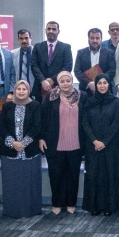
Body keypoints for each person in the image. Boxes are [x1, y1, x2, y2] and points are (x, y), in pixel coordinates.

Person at [40, 72, 86, 215]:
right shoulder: (50, 96)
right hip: (55, 144)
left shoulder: (82, 96)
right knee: (56, 175)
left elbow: (86, 120)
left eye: (68, 80)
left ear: (72, 81)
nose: (65, 83)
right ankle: (57, 203)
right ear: (58, 83)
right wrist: (41, 138)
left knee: (73, 176)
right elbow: (43, 118)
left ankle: (71, 203)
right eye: (62, 81)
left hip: (76, 144)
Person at [0, 80, 43, 217]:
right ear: (15, 91)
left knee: (29, 182)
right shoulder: (7, 106)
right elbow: (1, 126)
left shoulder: (35, 105)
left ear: (28, 91)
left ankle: (31, 210)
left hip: (30, 151)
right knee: (12, 182)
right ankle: (12, 210)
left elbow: (37, 126)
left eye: (24, 89)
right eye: (18, 89)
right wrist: (12, 143)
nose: (21, 91)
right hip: (10, 151)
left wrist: (23, 143)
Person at [81, 74, 119, 216]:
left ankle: (109, 207)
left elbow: (117, 123)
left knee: (110, 175)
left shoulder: (115, 102)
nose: (102, 85)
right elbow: (85, 122)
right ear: (95, 85)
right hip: (92, 145)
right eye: (99, 83)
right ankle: (94, 206)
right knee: (93, 175)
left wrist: (104, 142)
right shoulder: (89, 102)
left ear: (109, 84)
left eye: (105, 83)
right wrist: (94, 140)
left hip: (110, 146)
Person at [31, 21, 74, 99]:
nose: (51, 31)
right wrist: (43, 80)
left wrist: (53, 79)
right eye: (49, 29)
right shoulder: (37, 47)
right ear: (45, 31)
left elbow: (68, 66)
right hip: (40, 87)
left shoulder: (65, 47)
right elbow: (34, 65)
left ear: (58, 31)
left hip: (59, 87)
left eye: (54, 29)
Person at [75, 27, 117, 93]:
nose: (95, 40)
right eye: (92, 38)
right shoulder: (81, 53)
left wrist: (100, 83)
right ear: (88, 39)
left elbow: (112, 70)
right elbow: (77, 71)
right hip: (85, 90)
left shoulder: (109, 53)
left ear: (101, 39)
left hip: (105, 90)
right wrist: (89, 83)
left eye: (97, 38)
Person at [10, 29, 36, 97]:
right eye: (21, 38)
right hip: (19, 92)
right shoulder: (12, 54)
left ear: (31, 38)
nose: (24, 41)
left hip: (35, 91)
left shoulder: (37, 52)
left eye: (26, 38)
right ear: (18, 40)